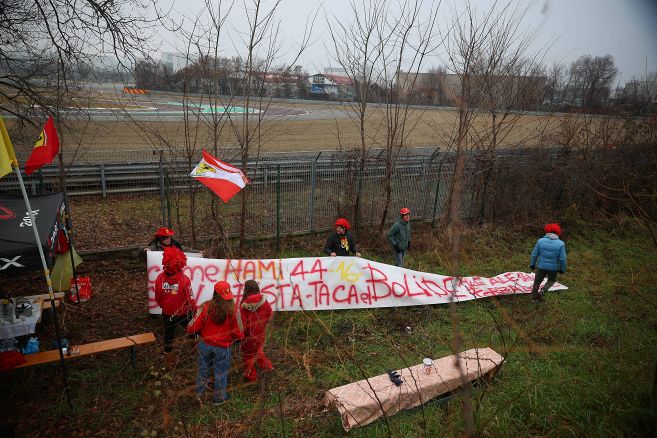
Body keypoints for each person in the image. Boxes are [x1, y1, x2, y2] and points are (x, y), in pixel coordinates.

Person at [187, 281, 243, 403]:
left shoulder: (204, 307)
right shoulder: (234, 309)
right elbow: (239, 333)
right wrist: (236, 339)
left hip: (205, 345)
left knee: (203, 370)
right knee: (221, 372)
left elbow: (192, 327)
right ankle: (219, 398)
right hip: (223, 347)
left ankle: (200, 395)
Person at [154, 246, 195, 367]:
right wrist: (194, 310)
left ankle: (170, 363)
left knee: (169, 335)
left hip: (168, 313)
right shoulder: (184, 280)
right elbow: (190, 298)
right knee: (193, 331)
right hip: (184, 314)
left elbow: (157, 297)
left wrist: (164, 306)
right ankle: (196, 354)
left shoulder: (160, 279)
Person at [240, 280, 273, 382]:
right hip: (261, 334)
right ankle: (268, 367)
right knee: (258, 351)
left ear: (246, 290)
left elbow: (243, 325)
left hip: (248, 337)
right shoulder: (264, 301)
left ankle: (252, 377)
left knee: (248, 357)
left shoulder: (244, 306)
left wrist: (239, 335)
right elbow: (270, 315)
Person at [530, 223, 567, 302]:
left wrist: (532, 264)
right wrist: (562, 269)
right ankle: (542, 291)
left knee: (537, 282)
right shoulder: (561, 243)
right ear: (557, 232)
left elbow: (534, 254)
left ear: (547, 231)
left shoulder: (540, 241)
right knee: (551, 280)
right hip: (553, 268)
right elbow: (563, 259)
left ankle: (533, 298)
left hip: (541, 266)